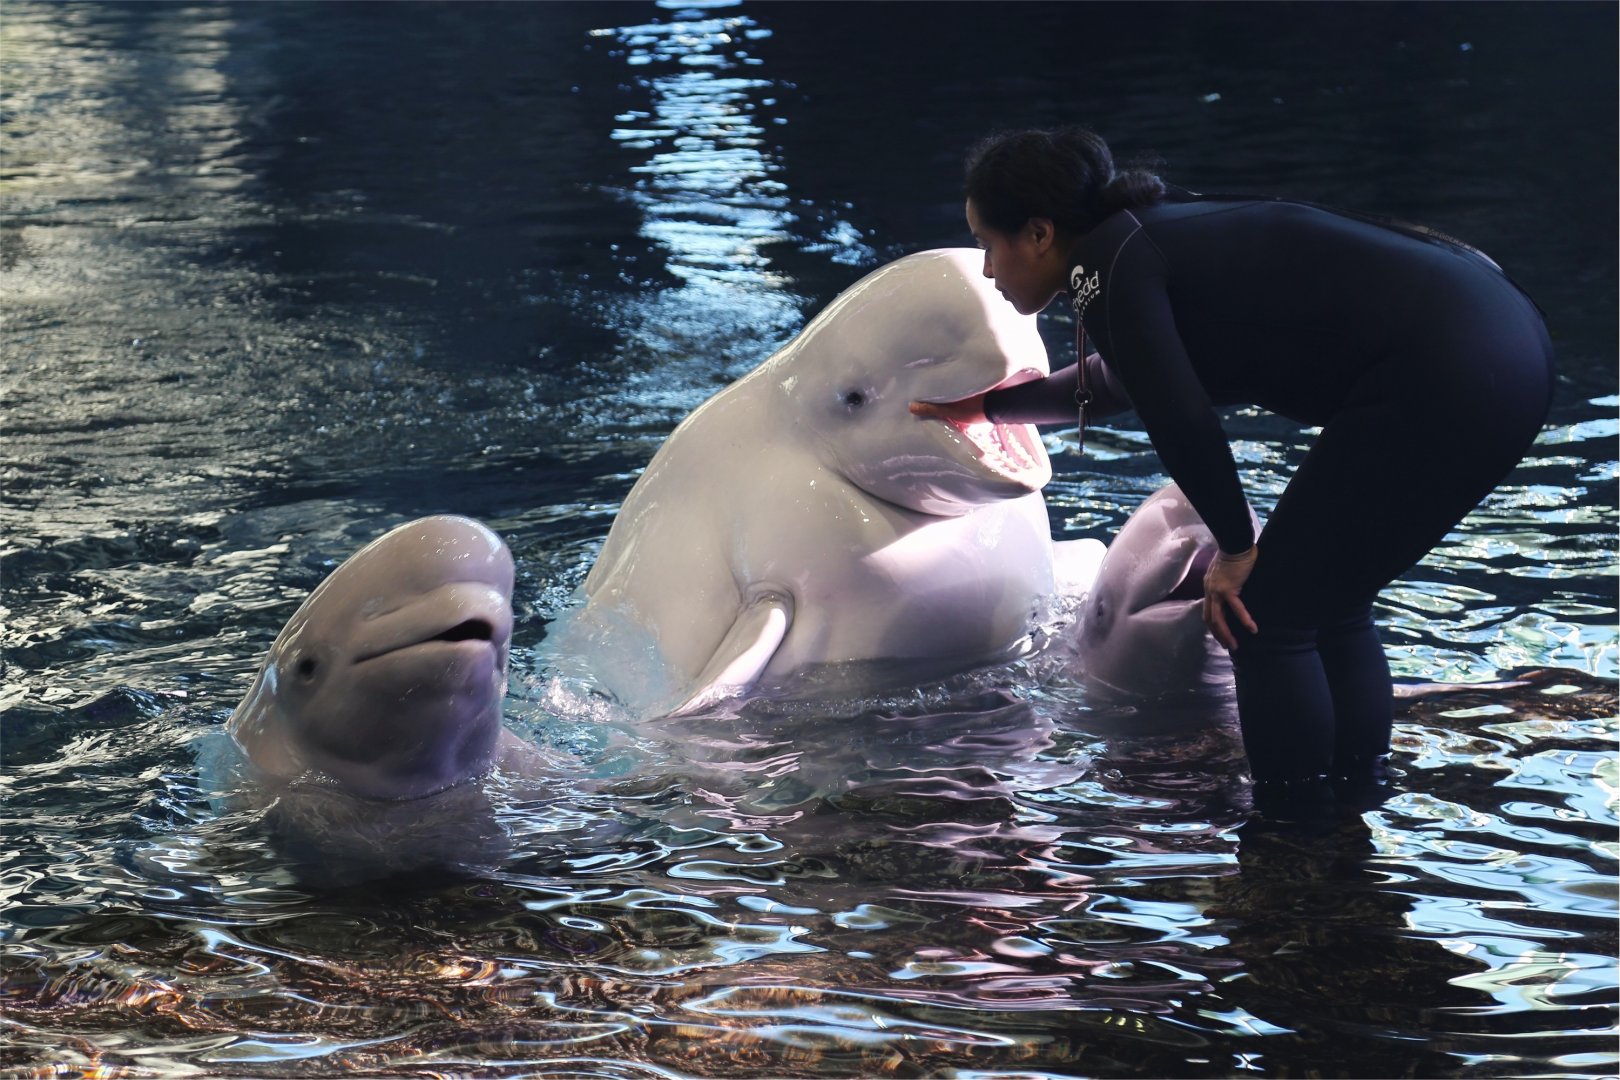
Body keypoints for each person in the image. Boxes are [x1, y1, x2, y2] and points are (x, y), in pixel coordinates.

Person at [911, 127, 1554, 818]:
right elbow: (1127, 379)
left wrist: (1237, 549)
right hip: (1505, 349)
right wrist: (993, 407)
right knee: (1328, 602)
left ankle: (1290, 836)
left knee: (1263, 617)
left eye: (987, 244)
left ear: (1038, 234)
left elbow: (1179, 417)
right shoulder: (1141, 239)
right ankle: (1355, 798)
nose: (987, 269)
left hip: (1446, 368)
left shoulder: (1110, 270)